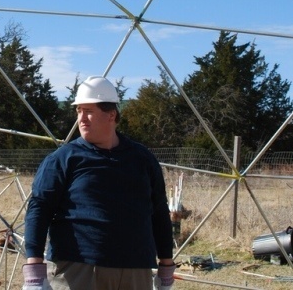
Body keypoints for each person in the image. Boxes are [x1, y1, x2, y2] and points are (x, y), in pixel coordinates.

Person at [22, 76, 177, 290]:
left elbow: (159, 212)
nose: (82, 119)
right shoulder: (63, 159)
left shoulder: (142, 159)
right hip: (78, 270)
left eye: (89, 111)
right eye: (79, 111)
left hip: (136, 271)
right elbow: (39, 208)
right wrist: (34, 273)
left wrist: (166, 269)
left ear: (111, 114)